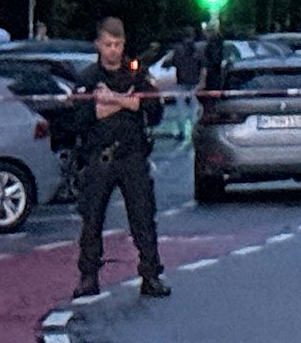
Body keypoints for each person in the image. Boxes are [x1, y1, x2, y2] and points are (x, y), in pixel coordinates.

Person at [70, 17, 169, 299]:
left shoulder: (137, 75)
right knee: (92, 219)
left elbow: (153, 110)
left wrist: (110, 100)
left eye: (118, 44)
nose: (113, 50)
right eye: (108, 45)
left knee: (143, 217)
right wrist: (126, 102)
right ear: (98, 45)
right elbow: (82, 118)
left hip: (132, 155)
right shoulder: (87, 78)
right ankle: (88, 276)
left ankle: (151, 275)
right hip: (99, 156)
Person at [171, 26, 203, 141]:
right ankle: (195, 131)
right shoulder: (198, 49)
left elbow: (174, 63)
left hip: (181, 82)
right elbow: (202, 65)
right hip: (194, 83)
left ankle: (181, 132)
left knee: (180, 110)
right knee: (194, 109)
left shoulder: (178, 49)